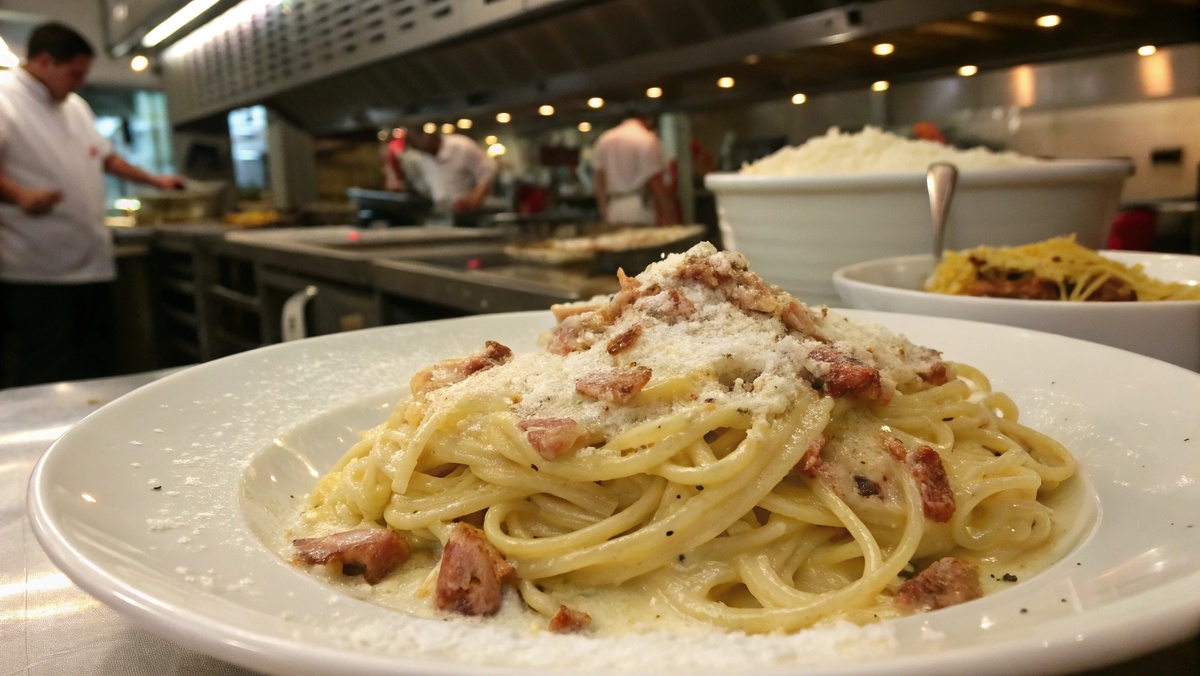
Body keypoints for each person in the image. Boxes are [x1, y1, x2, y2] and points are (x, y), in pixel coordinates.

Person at [0, 22, 184, 387]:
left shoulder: (75, 106)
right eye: (75, 73)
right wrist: (21, 194)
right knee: (46, 369)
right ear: (44, 61)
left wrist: (155, 181)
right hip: (36, 270)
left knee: (96, 365)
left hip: (92, 262)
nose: (81, 82)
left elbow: (106, 158)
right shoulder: (5, 98)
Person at [593, 114, 680, 226]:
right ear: (648, 119)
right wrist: (670, 218)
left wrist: (605, 212)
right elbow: (656, 183)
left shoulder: (604, 139)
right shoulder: (645, 138)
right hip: (639, 207)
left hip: (614, 206)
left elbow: (600, 183)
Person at [404, 129, 496, 226]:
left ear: (427, 134)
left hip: (473, 216)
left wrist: (473, 201)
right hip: (443, 216)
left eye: (415, 139)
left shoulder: (461, 146)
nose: (415, 145)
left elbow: (487, 174)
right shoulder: (422, 157)